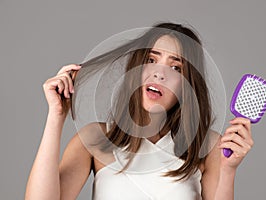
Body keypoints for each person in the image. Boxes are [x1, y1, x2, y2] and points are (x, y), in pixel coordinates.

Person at [25, 22, 254, 200]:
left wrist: (229, 170)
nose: (159, 73)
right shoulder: (96, 139)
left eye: (175, 67)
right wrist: (56, 117)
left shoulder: (207, 146)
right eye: (151, 59)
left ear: (188, 85)